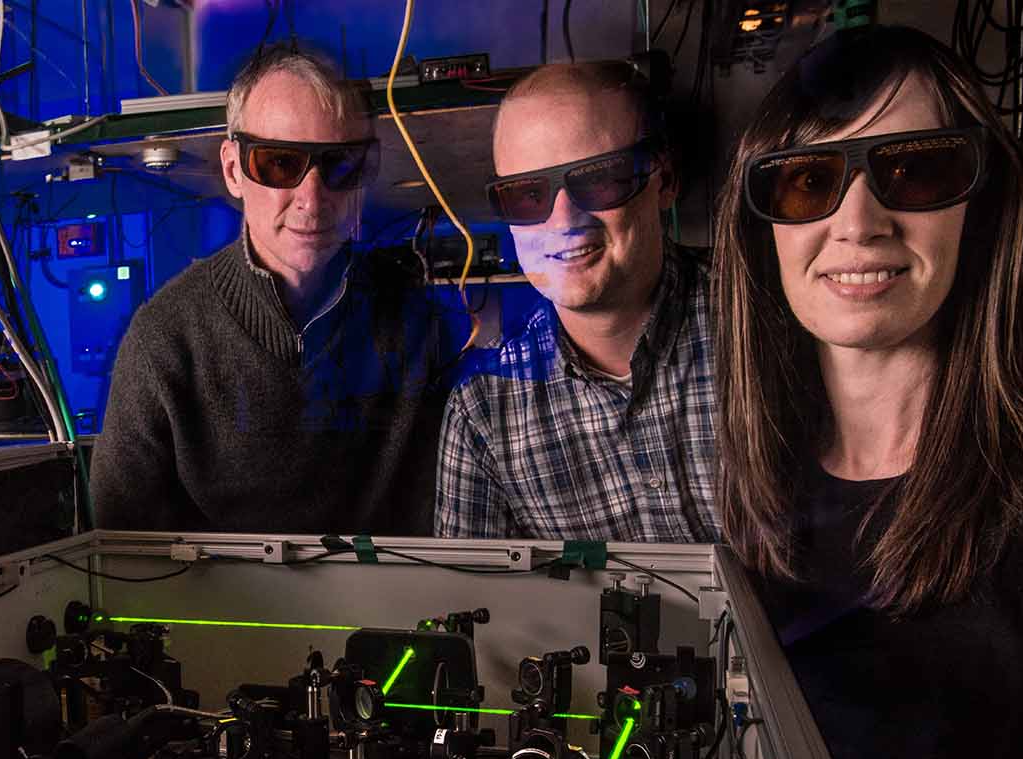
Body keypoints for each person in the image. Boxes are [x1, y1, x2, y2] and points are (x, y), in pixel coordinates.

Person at [715, 25, 1023, 759]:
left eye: (915, 169)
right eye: (808, 181)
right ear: (764, 230)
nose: (857, 222)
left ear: (982, 205)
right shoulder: (748, 493)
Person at [90, 45, 449, 534]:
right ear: (233, 170)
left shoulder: (418, 324)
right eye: (280, 162)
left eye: (341, 164)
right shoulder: (165, 341)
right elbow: (120, 550)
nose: (312, 199)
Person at [434, 60, 718, 541]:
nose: (564, 219)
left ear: (665, 179)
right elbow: (468, 588)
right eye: (527, 194)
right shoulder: (483, 410)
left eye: (599, 178)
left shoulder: (765, 320)